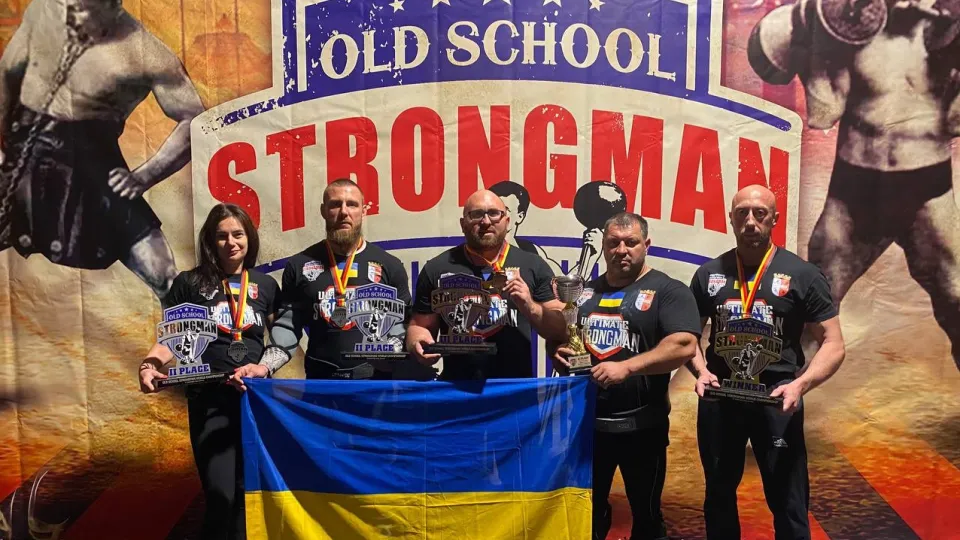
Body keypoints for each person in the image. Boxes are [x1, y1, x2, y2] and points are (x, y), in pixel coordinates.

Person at [748, 0, 960, 370]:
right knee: (812, 309)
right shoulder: (849, 22)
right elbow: (825, 113)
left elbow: (955, 123)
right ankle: (775, 397)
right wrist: (819, 41)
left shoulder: (947, 28)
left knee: (957, 299)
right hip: (855, 193)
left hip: (927, 190)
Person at [0, 0, 205, 300]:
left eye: (82, 8)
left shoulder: (144, 52)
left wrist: (144, 176)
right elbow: (7, 74)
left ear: (112, 6)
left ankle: (184, 328)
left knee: (163, 274)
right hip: (22, 154)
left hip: (94, 165)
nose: (71, 12)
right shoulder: (46, 11)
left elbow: (194, 120)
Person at [685, 185, 846, 540]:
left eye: (760, 213)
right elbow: (686, 337)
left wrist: (800, 385)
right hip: (721, 397)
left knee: (789, 501)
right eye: (742, 212)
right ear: (730, 219)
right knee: (718, 496)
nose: (750, 221)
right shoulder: (708, 274)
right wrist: (701, 370)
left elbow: (833, 343)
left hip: (777, 399)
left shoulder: (802, 274)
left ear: (774, 219)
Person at [137, 203, 290, 540]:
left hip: (255, 402)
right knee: (221, 496)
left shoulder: (266, 285)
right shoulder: (189, 283)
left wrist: (264, 367)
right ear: (210, 240)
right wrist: (150, 365)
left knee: (251, 494)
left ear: (249, 238)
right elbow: (172, 339)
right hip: (209, 401)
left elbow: (283, 340)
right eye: (222, 236)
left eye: (238, 234)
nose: (231, 242)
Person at [550, 212, 701, 540]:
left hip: (642, 427)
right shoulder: (584, 293)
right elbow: (567, 339)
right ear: (604, 247)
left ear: (646, 244)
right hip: (588, 427)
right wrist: (561, 354)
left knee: (646, 516)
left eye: (631, 242)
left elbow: (684, 344)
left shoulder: (668, 290)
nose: (622, 250)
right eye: (613, 243)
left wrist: (628, 366)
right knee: (588, 514)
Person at [406, 189, 567, 380]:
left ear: (507, 221)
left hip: (515, 389)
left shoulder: (533, 265)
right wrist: (417, 341)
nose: (486, 221)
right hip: (456, 387)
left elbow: (562, 329)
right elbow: (419, 325)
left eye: (494, 213)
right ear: (463, 224)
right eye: (476, 214)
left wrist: (530, 306)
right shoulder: (437, 268)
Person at [268, 178, 419, 380]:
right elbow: (287, 325)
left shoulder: (389, 265)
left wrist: (391, 350)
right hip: (320, 383)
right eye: (335, 204)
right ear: (323, 211)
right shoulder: (299, 265)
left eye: (352, 204)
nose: (344, 212)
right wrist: (265, 366)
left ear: (364, 211)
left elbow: (403, 324)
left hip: (374, 384)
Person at [490, 180, 603, 277]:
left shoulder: (531, 250)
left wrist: (590, 258)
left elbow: (561, 287)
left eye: (505, 210)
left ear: (520, 216)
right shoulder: (480, 251)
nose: (492, 217)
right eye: (491, 211)